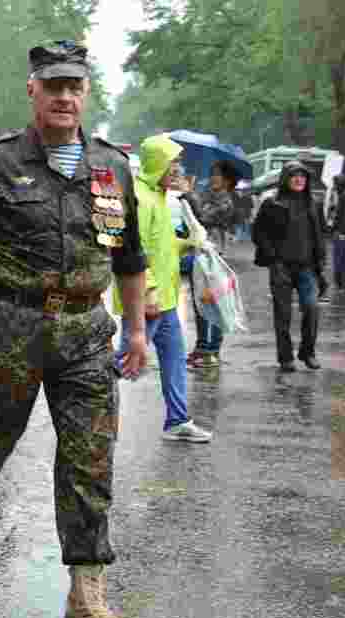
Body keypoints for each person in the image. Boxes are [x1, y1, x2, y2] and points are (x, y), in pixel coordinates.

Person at [0, 40, 149, 618]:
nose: (65, 97)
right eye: (53, 86)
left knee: (88, 462)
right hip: (11, 330)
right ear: (33, 91)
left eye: (75, 86)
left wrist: (137, 328)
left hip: (85, 334)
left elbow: (129, 257)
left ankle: (88, 595)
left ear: (86, 92)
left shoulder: (112, 167)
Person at [116, 133, 212, 443]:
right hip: (148, 298)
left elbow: (161, 245)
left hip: (166, 299)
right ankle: (91, 407)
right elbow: (135, 248)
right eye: (174, 163)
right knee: (124, 361)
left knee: (174, 360)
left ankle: (178, 420)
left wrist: (188, 245)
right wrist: (149, 290)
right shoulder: (141, 199)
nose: (178, 170)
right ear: (158, 163)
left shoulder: (157, 195)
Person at [252, 161, 325, 372]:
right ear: (286, 178)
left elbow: (320, 236)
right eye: (294, 175)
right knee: (282, 314)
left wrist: (321, 266)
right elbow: (258, 232)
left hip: (307, 268)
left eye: (303, 176)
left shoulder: (314, 203)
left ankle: (307, 352)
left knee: (311, 309)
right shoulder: (271, 203)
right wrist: (273, 258)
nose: (299, 179)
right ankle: (285, 357)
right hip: (281, 267)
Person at [184, 160, 240, 369]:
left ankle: (212, 349)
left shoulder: (226, 201)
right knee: (199, 303)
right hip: (199, 253)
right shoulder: (207, 196)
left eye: (218, 174)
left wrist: (190, 195)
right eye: (213, 174)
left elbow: (204, 218)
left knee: (213, 303)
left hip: (215, 257)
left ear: (227, 180)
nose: (213, 178)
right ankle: (201, 345)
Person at [330, 174, 345, 290]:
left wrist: (341, 232)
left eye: (335, 184)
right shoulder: (344, 195)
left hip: (341, 232)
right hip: (341, 231)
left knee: (339, 258)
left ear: (340, 184)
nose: (334, 186)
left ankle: (342, 284)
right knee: (341, 258)